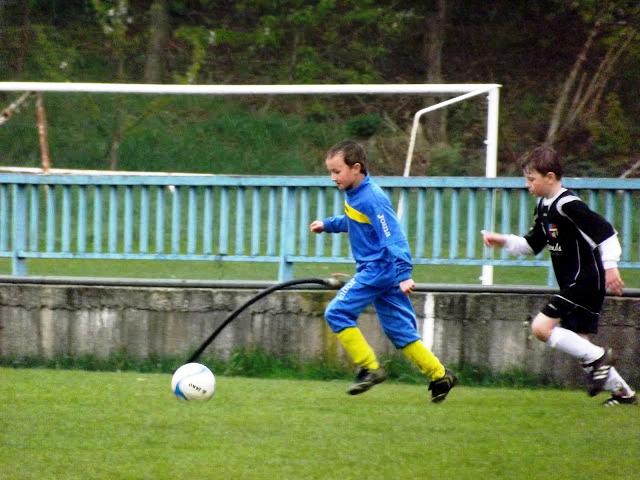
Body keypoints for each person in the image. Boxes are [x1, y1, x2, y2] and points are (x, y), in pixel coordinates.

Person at [482, 145, 636, 406]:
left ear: (550, 177)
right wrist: (502, 240)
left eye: (531, 179)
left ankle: (601, 356)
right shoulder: (544, 207)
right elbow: (531, 245)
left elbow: (606, 232)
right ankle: (624, 395)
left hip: (585, 281)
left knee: (541, 328)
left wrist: (611, 267)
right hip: (575, 283)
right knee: (581, 346)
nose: (527, 185)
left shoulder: (568, 204)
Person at [309, 140, 457, 403]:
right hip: (382, 271)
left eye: (337, 171)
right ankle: (440, 375)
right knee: (400, 331)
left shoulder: (372, 197)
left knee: (337, 312)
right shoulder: (357, 195)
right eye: (330, 172)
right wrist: (328, 225)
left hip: (377, 270)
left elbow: (393, 236)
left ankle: (370, 368)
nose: (333, 177)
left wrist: (404, 274)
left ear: (356, 168)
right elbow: (355, 220)